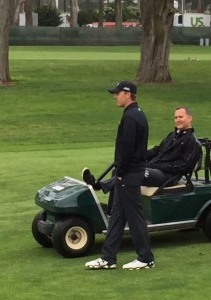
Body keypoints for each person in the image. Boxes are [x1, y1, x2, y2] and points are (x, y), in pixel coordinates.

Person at [85, 80, 155, 270]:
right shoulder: (135, 114)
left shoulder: (131, 117)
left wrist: (121, 173)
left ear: (127, 93)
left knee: (135, 217)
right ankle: (108, 258)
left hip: (130, 174)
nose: (115, 96)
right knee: (117, 216)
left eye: (117, 93)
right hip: (130, 172)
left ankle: (146, 257)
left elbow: (127, 148)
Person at [83, 106, 202, 213]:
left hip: (167, 177)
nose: (178, 120)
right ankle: (112, 209)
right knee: (118, 171)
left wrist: (156, 166)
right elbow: (157, 150)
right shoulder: (172, 135)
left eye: (181, 116)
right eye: (176, 117)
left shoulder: (192, 142)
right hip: (154, 170)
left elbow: (184, 166)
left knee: (132, 173)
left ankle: (98, 186)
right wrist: (137, 156)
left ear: (190, 118)